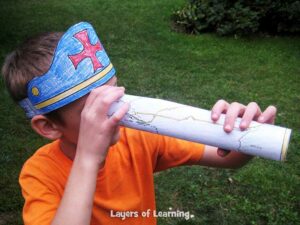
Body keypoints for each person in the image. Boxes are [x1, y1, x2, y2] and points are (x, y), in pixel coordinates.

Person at [1, 22, 277, 225]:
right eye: (97, 108)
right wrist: (88, 158)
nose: (122, 110)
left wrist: (245, 135)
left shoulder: (138, 137)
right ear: (49, 127)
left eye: (117, 93)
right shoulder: (39, 174)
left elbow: (228, 161)